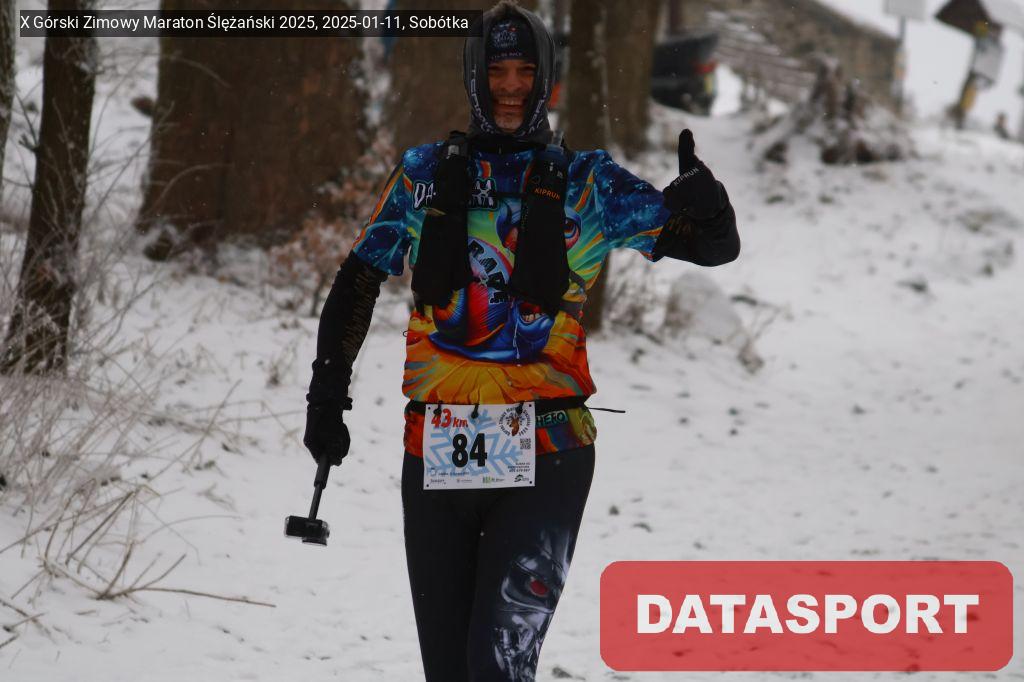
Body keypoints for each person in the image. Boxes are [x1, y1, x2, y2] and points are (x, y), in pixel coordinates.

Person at [301, 2, 740, 680]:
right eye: (497, 71)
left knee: (496, 669)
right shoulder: (423, 176)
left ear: (547, 78)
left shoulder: (590, 183)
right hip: (437, 453)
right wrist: (326, 397)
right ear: (474, 76)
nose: (511, 88)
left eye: (525, 72)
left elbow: (713, 247)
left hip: (549, 452)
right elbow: (358, 281)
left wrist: (709, 204)